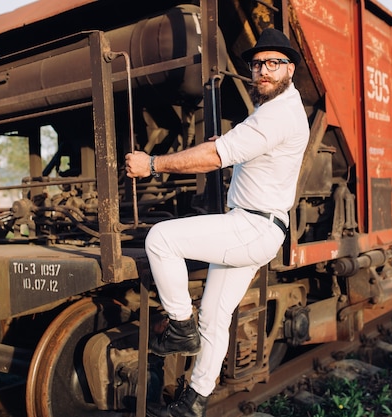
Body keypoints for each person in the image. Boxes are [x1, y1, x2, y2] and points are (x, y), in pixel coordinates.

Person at [125, 28, 310, 417]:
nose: (263, 70)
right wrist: (226, 146)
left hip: (252, 226)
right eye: (258, 64)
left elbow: (214, 157)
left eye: (273, 64)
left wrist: (153, 165)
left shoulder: (278, 114)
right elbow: (245, 150)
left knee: (161, 239)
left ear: (290, 69)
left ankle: (180, 328)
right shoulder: (277, 110)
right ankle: (194, 401)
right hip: (259, 227)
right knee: (215, 313)